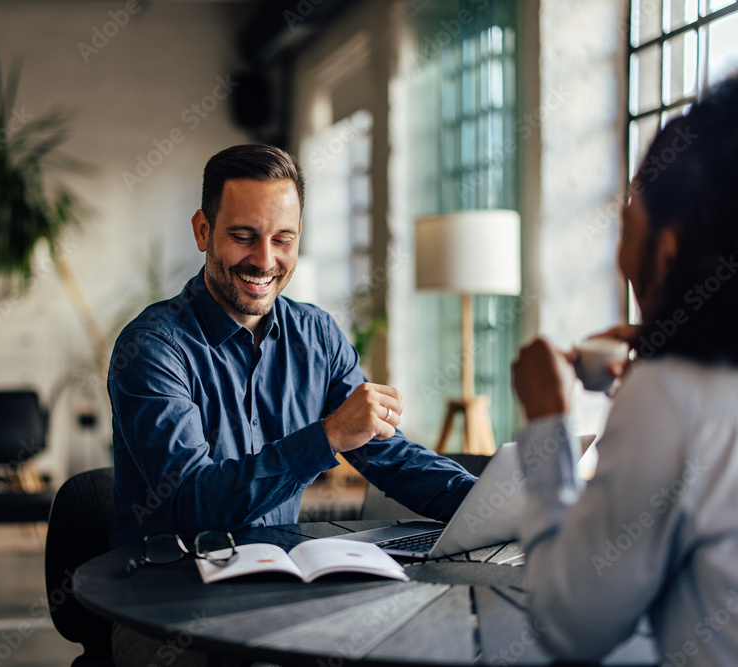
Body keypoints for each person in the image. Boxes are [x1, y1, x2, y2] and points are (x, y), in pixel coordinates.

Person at [108, 144, 475, 552]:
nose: (265, 260)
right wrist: (328, 435)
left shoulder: (317, 335)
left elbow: (390, 457)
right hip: (163, 592)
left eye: (283, 239)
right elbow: (193, 505)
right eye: (243, 236)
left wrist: (494, 504)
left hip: (275, 583)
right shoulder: (151, 349)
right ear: (202, 230)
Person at [511, 74, 738, 665]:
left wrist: (547, 421)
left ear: (666, 250)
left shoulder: (671, 397)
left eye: (626, 227)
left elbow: (570, 624)